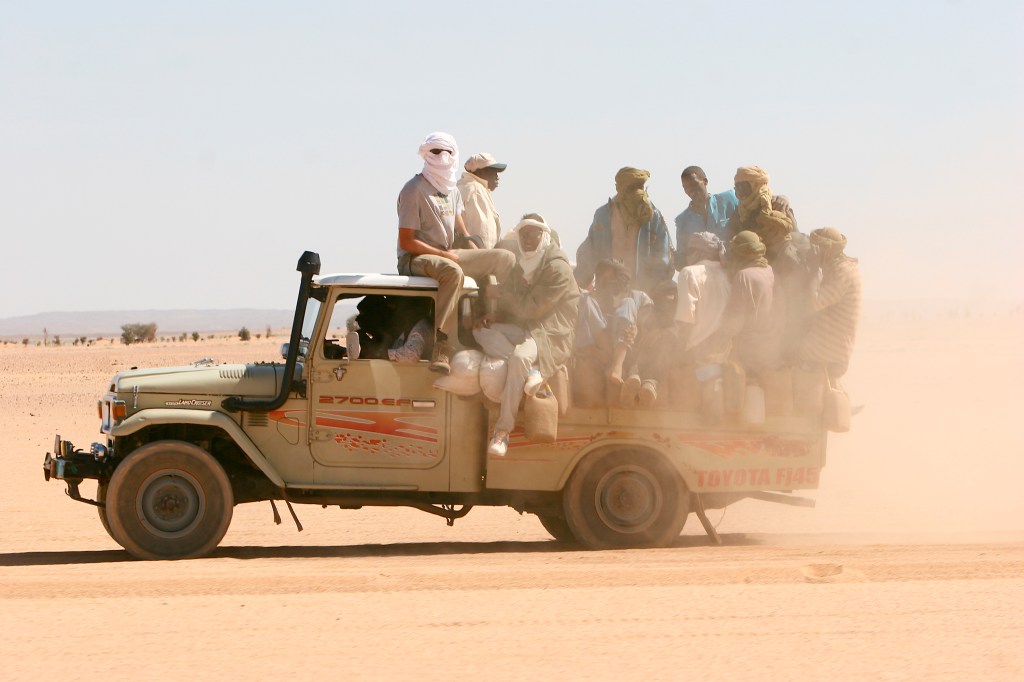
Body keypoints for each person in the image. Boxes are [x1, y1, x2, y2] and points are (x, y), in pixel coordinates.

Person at [397, 132, 515, 374]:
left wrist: (473, 248)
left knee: (504, 258)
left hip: (447, 252)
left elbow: (462, 230)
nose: (442, 157)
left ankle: (501, 319)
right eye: (436, 152)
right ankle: (442, 344)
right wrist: (444, 255)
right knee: (451, 271)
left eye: (447, 152)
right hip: (416, 258)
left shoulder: (453, 191)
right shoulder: (413, 189)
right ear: (426, 155)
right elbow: (407, 241)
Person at [474, 217, 580, 456]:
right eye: (524, 235)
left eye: (533, 234)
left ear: (544, 236)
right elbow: (518, 308)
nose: (528, 240)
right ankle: (533, 368)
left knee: (520, 358)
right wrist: (495, 315)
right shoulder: (525, 264)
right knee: (480, 330)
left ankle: (503, 432)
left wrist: (500, 295)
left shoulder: (556, 268)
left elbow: (532, 309)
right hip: (530, 329)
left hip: (551, 335)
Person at [575, 167, 673, 294]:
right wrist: (576, 283)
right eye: (632, 188)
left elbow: (664, 257)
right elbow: (589, 253)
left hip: (644, 290)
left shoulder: (653, 216)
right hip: (609, 288)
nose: (637, 192)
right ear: (619, 188)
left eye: (640, 187)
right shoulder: (603, 215)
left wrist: (654, 288)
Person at [574, 259, 653, 405]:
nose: (608, 284)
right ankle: (613, 366)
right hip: (599, 353)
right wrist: (598, 354)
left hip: (625, 353)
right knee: (585, 300)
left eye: (612, 279)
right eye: (603, 279)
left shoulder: (637, 297)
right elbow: (581, 338)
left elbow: (651, 324)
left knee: (628, 303)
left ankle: (617, 367)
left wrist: (638, 330)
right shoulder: (589, 299)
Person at [708, 231, 783, 374]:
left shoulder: (744, 276)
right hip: (772, 348)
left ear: (740, 253)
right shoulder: (770, 271)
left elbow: (733, 322)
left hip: (750, 352)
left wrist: (715, 344)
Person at [799, 228, 862, 382]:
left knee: (787, 354)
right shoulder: (842, 268)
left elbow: (814, 302)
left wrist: (813, 270)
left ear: (826, 250)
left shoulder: (841, 271)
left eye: (815, 248)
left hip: (827, 350)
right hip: (834, 345)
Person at [676, 232, 732, 363]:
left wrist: (678, 355)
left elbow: (686, 319)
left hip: (699, 349)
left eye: (690, 251)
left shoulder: (689, 272)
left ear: (699, 252)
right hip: (726, 348)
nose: (687, 256)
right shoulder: (727, 273)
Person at [621, 279, 679, 408]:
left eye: (673, 296)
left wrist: (662, 334)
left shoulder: (678, 318)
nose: (670, 300)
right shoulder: (646, 312)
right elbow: (636, 329)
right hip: (639, 360)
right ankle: (635, 380)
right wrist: (637, 331)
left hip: (658, 364)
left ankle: (648, 383)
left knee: (663, 349)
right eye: (667, 295)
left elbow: (679, 334)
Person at [674, 166, 738, 270]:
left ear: (705, 181)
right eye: (685, 187)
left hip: (731, 269)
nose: (690, 190)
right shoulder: (682, 221)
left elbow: (750, 211)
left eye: (694, 184)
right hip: (703, 277)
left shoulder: (728, 200)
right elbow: (682, 256)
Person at [457, 153, 507, 249]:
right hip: (478, 257)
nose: (497, 177)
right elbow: (484, 233)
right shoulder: (475, 189)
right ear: (479, 172)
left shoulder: (466, 186)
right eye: (493, 172)